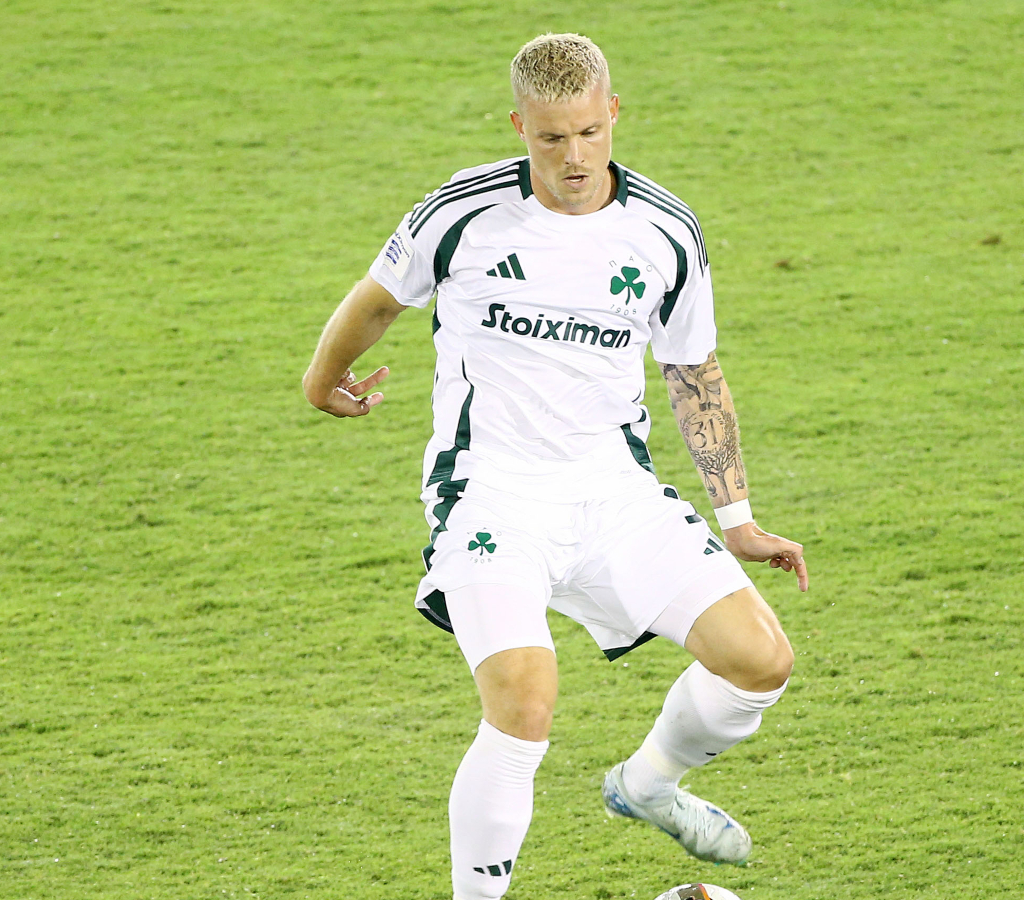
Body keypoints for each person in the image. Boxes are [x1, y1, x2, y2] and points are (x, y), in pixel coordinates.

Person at [302, 32, 808, 900]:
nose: (574, 157)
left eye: (588, 133)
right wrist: (323, 379)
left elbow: (693, 371)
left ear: (613, 114)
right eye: (550, 138)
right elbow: (378, 301)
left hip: (614, 494)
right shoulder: (461, 214)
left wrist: (739, 519)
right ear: (519, 127)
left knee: (760, 659)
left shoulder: (665, 231)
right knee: (524, 701)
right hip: (491, 494)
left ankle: (648, 785)